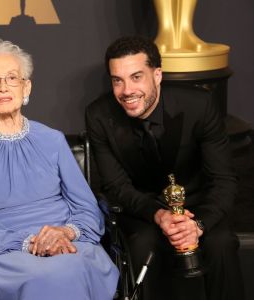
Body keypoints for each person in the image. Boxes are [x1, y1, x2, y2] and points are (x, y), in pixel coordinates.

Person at [85, 36, 244, 300]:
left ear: (157, 75)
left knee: (221, 243)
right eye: (117, 80)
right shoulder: (99, 115)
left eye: (136, 77)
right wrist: (158, 215)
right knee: (142, 244)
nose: (126, 90)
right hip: (143, 208)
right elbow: (116, 186)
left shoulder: (199, 105)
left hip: (199, 205)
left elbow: (224, 179)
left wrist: (198, 225)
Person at [0, 39, 118, 300]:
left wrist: (64, 233)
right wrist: (31, 242)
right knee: (48, 275)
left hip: (67, 241)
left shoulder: (52, 139)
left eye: (12, 78)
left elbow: (88, 209)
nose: (2, 87)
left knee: (71, 266)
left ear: (26, 86)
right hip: (7, 252)